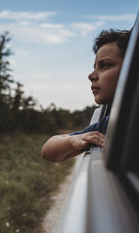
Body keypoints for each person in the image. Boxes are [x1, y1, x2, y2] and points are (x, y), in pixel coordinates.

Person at [41, 29, 131, 162]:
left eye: (105, 66)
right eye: (94, 67)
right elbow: (47, 150)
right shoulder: (111, 124)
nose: (91, 76)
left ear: (132, 69)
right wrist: (73, 140)